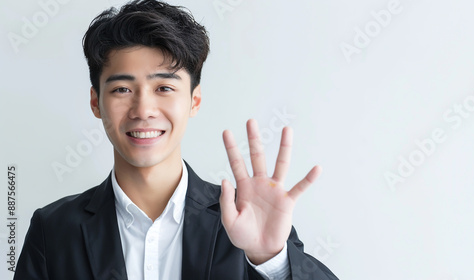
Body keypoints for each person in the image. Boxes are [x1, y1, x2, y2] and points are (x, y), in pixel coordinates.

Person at [14, 0, 339, 279]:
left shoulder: (247, 216)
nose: (143, 110)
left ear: (194, 101)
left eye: (164, 88)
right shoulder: (54, 229)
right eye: (122, 89)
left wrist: (272, 259)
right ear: (96, 102)